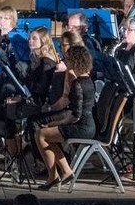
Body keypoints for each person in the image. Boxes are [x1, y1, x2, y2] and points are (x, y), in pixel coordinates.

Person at [34, 44, 96, 189]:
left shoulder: (78, 84)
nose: (65, 61)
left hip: (82, 127)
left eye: (68, 59)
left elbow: (76, 115)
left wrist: (55, 124)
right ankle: (63, 172)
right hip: (85, 124)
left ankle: (55, 175)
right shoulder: (87, 81)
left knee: (41, 134)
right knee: (46, 136)